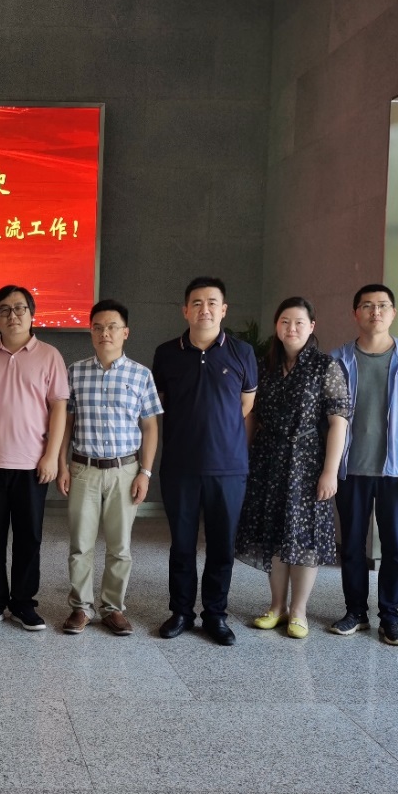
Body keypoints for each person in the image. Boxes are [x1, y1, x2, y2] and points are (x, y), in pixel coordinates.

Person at [235, 297, 350, 639]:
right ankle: (277, 606)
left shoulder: (325, 366)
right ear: (277, 325)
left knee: (304, 537)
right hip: (267, 459)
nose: (292, 328)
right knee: (274, 534)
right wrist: (243, 459)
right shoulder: (263, 365)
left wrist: (330, 471)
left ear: (311, 327)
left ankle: (298, 610)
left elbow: (339, 421)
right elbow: (251, 416)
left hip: (307, 462)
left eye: (299, 322)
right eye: (285, 321)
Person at [152, 277, 258, 646]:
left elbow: (246, 404)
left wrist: (220, 433)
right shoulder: (166, 353)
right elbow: (160, 404)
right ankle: (181, 611)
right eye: (196, 303)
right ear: (186, 310)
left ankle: (215, 614)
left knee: (221, 547)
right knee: (182, 545)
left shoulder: (242, 352)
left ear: (223, 309)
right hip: (180, 466)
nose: (205, 309)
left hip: (228, 468)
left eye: (212, 302)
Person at [329, 284, 398, 646]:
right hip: (351, 469)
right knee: (352, 545)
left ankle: (390, 617)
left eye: (383, 306)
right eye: (367, 306)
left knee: (396, 548)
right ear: (355, 313)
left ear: (393, 313)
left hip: (396, 471)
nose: (375, 312)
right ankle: (355, 612)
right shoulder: (339, 359)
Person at [56, 299, 161, 636]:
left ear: (125, 332)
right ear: (91, 331)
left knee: (120, 546)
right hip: (83, 468)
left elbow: (150, 427)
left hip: (125, 470)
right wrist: (62, 465)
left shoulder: (141, 375)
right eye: (98, 327)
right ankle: (81, 607)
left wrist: (145, 473)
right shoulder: (74, 372)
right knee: (80, 544)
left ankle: (113, 608)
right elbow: (67, 423)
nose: (105, 333)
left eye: (112, 327)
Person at [0, 285, 68, 632]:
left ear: (32, 313)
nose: (12, 315)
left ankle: (24, 603)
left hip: (32, 465)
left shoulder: (50, 356)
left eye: (19, 308)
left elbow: (58, 409)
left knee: (29, 539)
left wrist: (52, 456)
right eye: (4, 309)